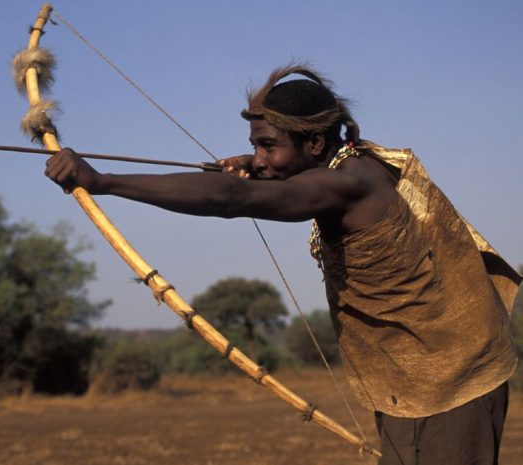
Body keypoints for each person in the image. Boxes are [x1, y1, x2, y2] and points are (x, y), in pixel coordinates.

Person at [45, 65, 520, 465]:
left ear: (315, 144)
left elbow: (231, 199)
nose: (257, 157)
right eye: (255, 145)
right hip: (413, 380)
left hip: (451, 381)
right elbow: (259, 180)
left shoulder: (347, 184)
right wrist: (267, 166)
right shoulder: (352, 160)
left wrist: (101, 180)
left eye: (268, 144)